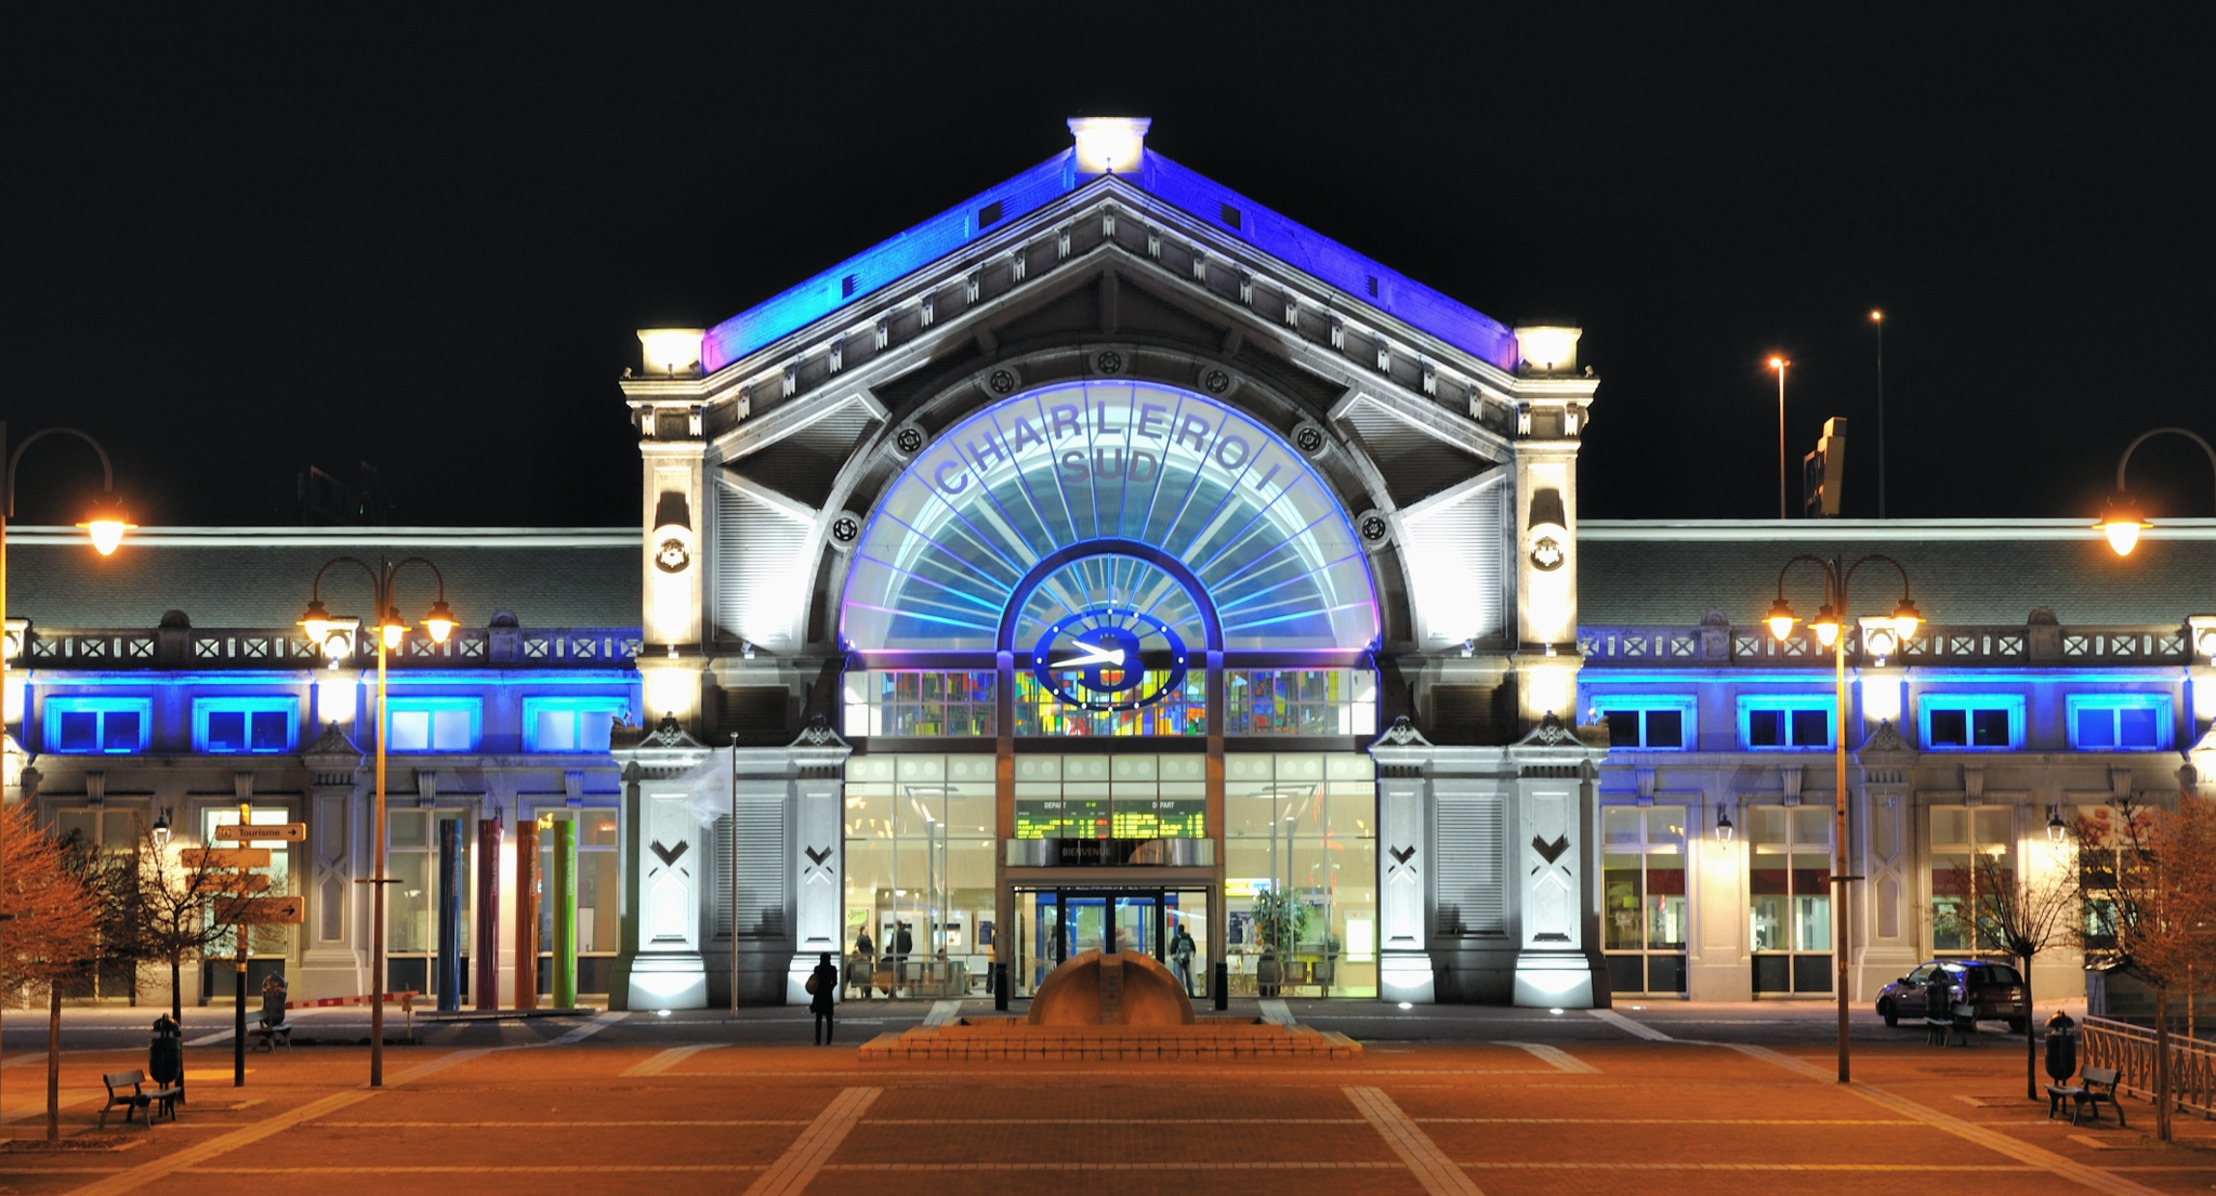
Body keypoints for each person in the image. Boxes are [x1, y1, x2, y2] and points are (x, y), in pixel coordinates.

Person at [807, 952, 840, 1045]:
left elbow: (814, 981)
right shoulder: (832, 969)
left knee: (818, 1019)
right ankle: (828, 1040)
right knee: (829, 1019)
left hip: (818, 995)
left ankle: (818, 1040)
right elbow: (835, 982)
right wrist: (830, 988)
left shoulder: (817, 969)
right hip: (828, 995)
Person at [1923, 968, 1954, 1046]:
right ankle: (1939, 1041)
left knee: (1936, 1022)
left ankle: (1937, 1041)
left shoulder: (1932, 988)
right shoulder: (1935, 988)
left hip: (1938, 1014)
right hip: (1937, 1014)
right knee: (1935, 1022)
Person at [1170, 924, 1197, 995]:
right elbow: (1194, 949)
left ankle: (1182, 994)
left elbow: (1172, 949)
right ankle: (1191, 993)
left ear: (1178, 929)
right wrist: (1189, 956)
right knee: (1189, 976)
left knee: (1180, 976)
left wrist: (1174, 956)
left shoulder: (1176, 938)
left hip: (1178, 960)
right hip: (1187, 960)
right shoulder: (1189, 938)